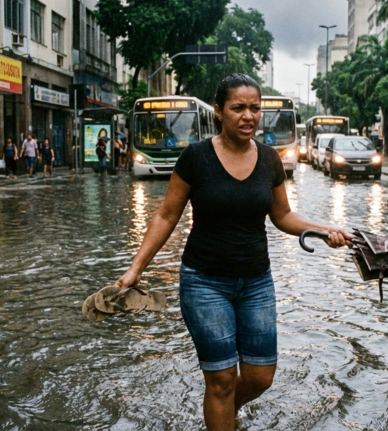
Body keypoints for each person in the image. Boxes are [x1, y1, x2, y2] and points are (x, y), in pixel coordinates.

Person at [112, 74, 353, 430]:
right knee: (222, 380)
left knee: (260, 377)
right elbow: (166, 215)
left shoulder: (270, 159)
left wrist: (324, 229)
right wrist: (136, 269)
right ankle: (222, 412)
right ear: (219, 112)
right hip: (204, 283)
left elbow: (283, 215)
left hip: (256, 283)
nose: (248, 116)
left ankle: (221, 412)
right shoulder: (195, 158)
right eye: (238, 108)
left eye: (255, 108)